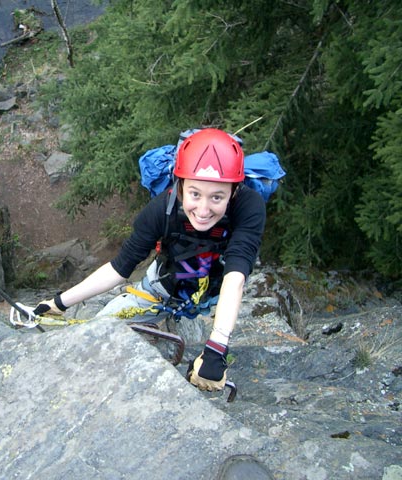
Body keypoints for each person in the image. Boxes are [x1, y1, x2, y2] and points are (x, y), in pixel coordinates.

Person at [33, 128, 266, 392]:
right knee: (96, 339)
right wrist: (59, 302)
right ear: (179, 186)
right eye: (195, 194)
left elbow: (235, 278)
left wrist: (216, 349)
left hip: (214, 293)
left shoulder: (249, 207)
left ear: (234, 192)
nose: (202, 210)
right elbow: (120, 268)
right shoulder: (161, 210)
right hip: (161, 287)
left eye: (217, 197)